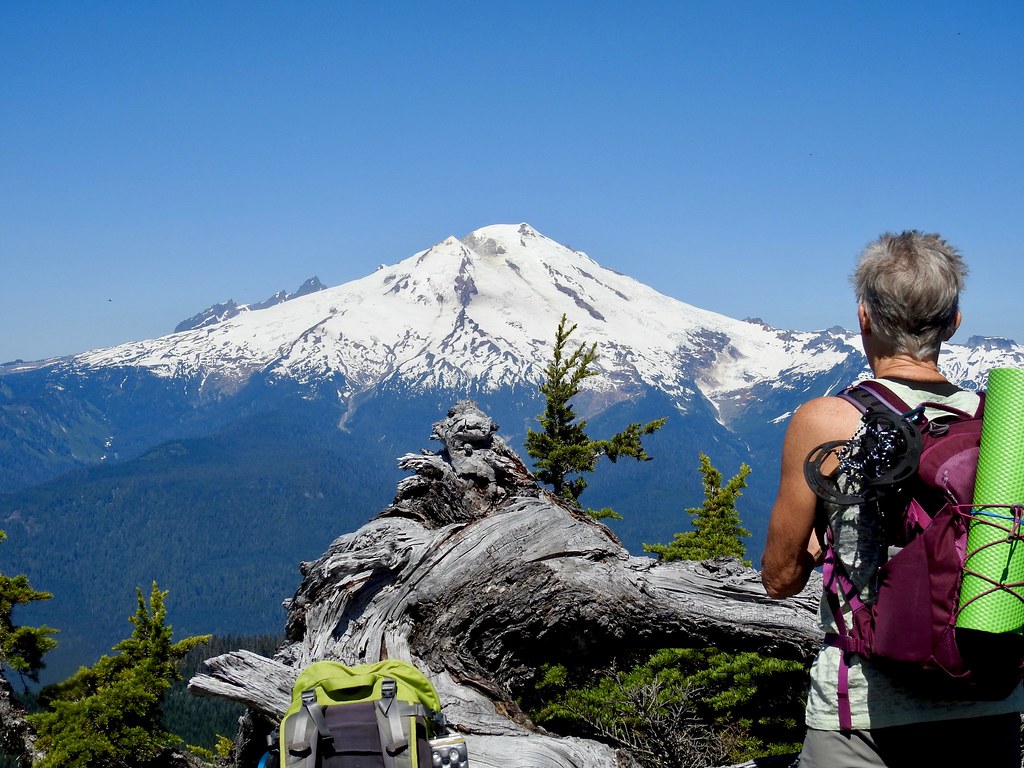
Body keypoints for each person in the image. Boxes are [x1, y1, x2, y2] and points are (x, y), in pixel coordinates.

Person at [761, 231, 1024, 767]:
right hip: (989, 699)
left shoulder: (828, 420)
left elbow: (779, 580)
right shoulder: (1002, 428)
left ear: (864, 317)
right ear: (954, 322)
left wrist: (814, 547)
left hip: (865, 713)